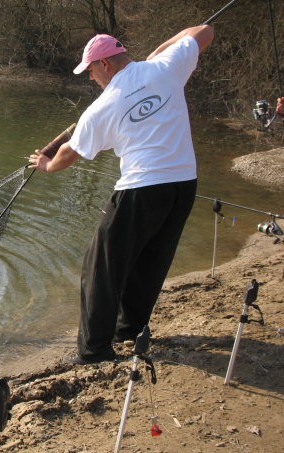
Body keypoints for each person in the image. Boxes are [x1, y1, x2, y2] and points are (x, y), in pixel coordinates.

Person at [29, 25, 214, 364]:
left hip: (141, 188)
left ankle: (95, 350)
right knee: (150, 260)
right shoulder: (165, 66)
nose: (90, 78)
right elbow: (204, 31)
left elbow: (69, 154)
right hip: (184, 185)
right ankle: (130, 330)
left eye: (91, 71)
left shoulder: (105, 106)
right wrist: (162, 49)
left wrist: (46, 166)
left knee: (100, 268)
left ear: (106, 65)